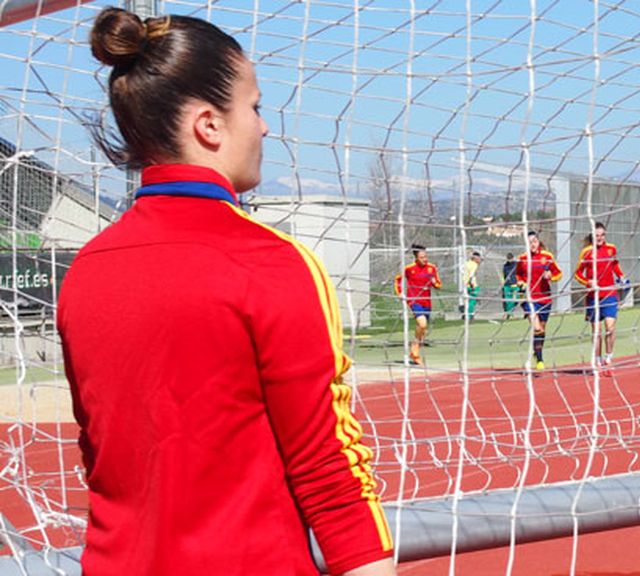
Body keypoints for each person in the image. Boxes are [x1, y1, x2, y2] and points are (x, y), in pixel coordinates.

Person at [58, 8, 395, 576]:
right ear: (209, 124)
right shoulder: (268, 262)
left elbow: (105, 461)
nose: (263, 126)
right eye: (255, 106)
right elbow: (329, 468)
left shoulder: (86, 271)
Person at [574, 222, 627, 367]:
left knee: (610, 328)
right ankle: (597, 358)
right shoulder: (587, 252)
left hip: (610, 294)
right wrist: (588, 282)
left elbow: (615, 265)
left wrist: (622, 277)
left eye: (602, 235)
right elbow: (577, 274)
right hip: (593, 297)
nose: (600, 238)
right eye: (597, 235)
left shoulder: (611, 248)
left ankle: (609, 357)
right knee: (596, 331)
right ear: (592, 236)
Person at [516, 231, 562, 370]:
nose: (532, 244)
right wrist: (521, 283)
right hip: (529, 299)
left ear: (538, 242)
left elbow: (558, 273)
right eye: (529, 242)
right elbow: (518, 274)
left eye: (534, 241)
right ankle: (540, 359)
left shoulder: (547, 256)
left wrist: (550, 276)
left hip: (545, 299)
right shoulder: (522, 259)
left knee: (541, 330)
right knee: (536, 327)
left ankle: (537, 352)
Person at [394, 244, 442, 365]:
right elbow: (398, 279)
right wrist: (400, 293)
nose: (425, 259)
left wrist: (434, 283)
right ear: (416, 257)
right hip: (414, 300)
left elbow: (438, 285)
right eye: (422, 257)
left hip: (427, 301)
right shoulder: (409, 268)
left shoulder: (431, 268)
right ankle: (415, 350)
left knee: (423, 328)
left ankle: (415, 351)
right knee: (422, 323)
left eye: (426, 256)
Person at [462, 250, 482, 320]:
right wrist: (472, 285)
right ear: (475, 258)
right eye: (479, 259)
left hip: (465, 285)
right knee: (472, 301)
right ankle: (470, 315)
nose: (480, 260)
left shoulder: (467, 263)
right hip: (471, 285)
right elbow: (471, 276)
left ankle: (465, 314)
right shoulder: (474, 265)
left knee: (467, 301)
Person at [501, 252, 519, 318]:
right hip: (507, 285)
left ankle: (510, 312)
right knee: (508, 300)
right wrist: (503, 283)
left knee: (516, 299)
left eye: (510, 259)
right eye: (508, 259)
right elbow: (504, 275)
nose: (509, 260)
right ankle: (509, 313)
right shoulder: (505, 266)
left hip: (515, 285)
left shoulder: (516, 264)